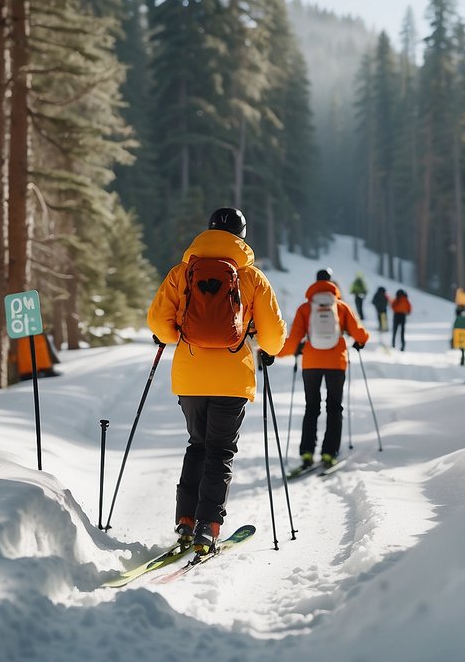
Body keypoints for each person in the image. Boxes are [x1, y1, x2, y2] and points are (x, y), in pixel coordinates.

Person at [147, 207, 286, 556]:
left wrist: (170, 334)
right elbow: (272, 336)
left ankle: (184, 519)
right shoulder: (252, 277)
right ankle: (208, 526)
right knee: (220, 451)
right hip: (232, 377)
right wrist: (268, 350)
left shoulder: (182, 272)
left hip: (190, 377)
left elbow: (158, 322)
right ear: (241, 235)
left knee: (197, 444)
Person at [278, 268, 370, 469]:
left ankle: (307, 452)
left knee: (311, 408)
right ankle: (329, 453)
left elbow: (293, 341)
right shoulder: (341, 307)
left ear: (316, 282)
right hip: (336, 363)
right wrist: (361, 341)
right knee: (334, 407)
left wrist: (275, 352)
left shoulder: (305, 308)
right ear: (332, 283)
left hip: (311, 363)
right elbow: (359, 334)